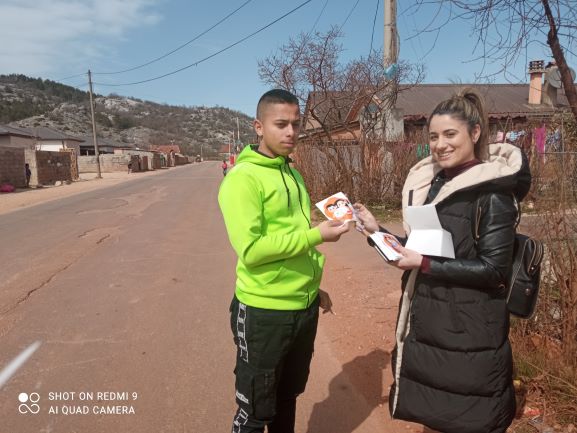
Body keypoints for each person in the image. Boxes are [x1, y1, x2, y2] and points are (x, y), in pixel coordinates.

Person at [354, 88, 531, 433]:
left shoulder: (493, 194)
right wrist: (377, 232)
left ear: (475, 133)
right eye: (433, 137)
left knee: (469, 418)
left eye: (450, 134)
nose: (440, 144)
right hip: (432, 321)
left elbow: (494, 271)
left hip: (470, 331)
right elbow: (423, 249)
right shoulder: (435, 186)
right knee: (436, 416)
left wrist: (424, 264)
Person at [218, 89, 350, 433]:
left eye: (296, 124)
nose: (291, 132)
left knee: (286, 398)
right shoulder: (243, 179)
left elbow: (292, 236)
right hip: (264, 313)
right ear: (258, 127)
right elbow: (252, 250)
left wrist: (312, 289)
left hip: (301, 308)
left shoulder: (292, 172)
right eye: (281, 124)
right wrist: (317, 235)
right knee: (254, 411)